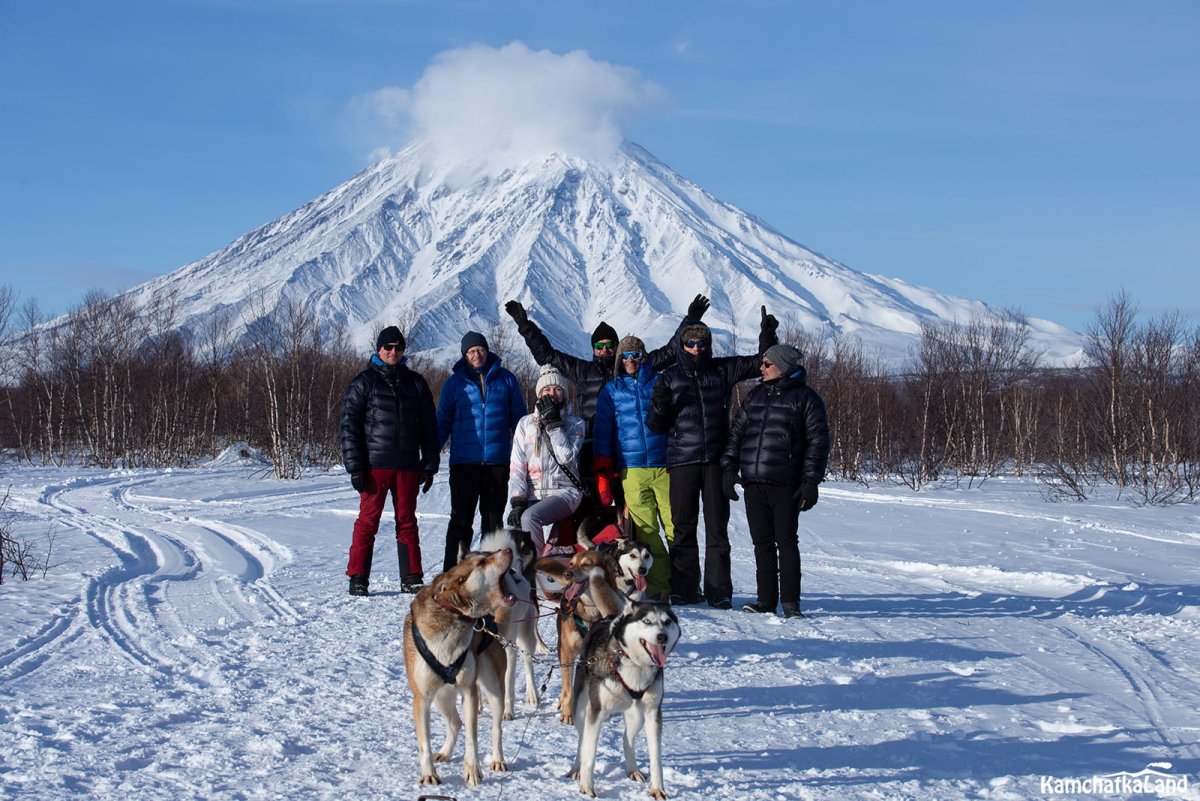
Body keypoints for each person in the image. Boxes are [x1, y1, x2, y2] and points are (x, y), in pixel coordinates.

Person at [503, 295, 710, 491]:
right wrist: (525, 326)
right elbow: (547, 355)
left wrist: (690, 321)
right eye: (599, 346)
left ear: (617, 347)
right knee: (590, 498)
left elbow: (669, 352)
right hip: (590, 444)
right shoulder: (582, 371)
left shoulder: (631, 366)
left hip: (625, 446)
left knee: (626, 500)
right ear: (593, 349)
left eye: (610, 345)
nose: (605, 350)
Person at [646, 306, 779, 609]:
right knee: (683, 527)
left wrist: (767, 335)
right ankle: (684, 589)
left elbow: (758, 364)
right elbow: (656, 425)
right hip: (682, 461)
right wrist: (661, 405)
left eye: (701, 343)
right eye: (690, 343)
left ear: (708, 345)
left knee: (717, 528)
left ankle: (719, 591)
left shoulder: (721, 369)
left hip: (716, 460)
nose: (696, 349)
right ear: (681, 345)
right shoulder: (667, 378)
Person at [721, 343, 829, 619]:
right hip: (754, 482)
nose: (762, 367)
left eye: (767, 364)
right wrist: (729, 467)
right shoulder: (755, 395)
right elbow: (737, 433)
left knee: (786, 541)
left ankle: (791, 603)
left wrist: (810, 481)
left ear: (784, 367)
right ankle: (766, 600)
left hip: (785, 482)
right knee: (762, 544)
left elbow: (818, 442)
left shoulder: (806, 399)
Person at [340, 325, 439, 597]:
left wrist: (429, 464)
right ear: (379, 349)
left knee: (407, 520)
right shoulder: (363, 382)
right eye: (388, 347)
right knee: (368, 521)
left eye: (398, 348)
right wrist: (356, 466)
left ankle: (411, 576)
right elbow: (349, 425)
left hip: (407, 465)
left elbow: (430, 427)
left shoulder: (416, 382)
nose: (393, 352)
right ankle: (358, 576)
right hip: (375, 466)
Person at [435, 331, 527, 571]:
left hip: (497, 463)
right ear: (465, 355)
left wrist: (527, 453)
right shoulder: (455, 384)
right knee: (461, 520)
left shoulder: (507, 380)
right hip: (464, 463)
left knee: (493, 521)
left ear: (487, 350)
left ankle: (492, 574)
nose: (476, 354)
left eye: (480, 349)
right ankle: (452, 572)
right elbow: (442, 421)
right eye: (471, 351)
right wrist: (431, 452)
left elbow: (519, 421)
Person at [592, 335, 672, 600]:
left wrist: (677, 455)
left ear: (643, 357)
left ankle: (685, 586)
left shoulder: (660, 382)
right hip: (632, 469)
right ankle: (659, 588)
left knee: (676, 528)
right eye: (625, 356)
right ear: (619, 359)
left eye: (635, 355)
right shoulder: (612, 391)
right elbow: (603, 429)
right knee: (647, 533)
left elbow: (676, 421)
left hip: (664, 467)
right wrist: (603, 462)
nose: (630, 360)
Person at [506, 365, 587, 554]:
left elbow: (565, 456)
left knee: (530, 517)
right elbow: (517, 466)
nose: (553, 393)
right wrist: (518, 501)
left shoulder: (576, 424)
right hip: (534, 494)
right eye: (547, 389)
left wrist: (554, 424)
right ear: (539, 394)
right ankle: (521, 575)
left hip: (564, 492)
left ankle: (539, 571)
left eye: (558, 389)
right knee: (513, 524)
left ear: (564, 394)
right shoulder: (525, 424)